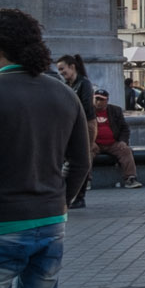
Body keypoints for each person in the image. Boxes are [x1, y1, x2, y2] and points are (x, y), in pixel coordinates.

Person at [0, 9, 91, 288]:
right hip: (51, 223)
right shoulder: (65, 94)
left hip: (0, 222)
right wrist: (61, 202)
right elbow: (81, 162)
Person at [54, 54, 97, 209]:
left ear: (72, 67)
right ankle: (72, 195)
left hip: (86, 123)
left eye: (62, 69)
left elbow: (86, 106)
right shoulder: (69, 84)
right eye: (59, 70)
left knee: (82, 158)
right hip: (74, 124)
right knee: (72, 158)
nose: (61, 73)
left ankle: (80, 196)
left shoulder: (84, 83)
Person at [90, 89, 144, 189]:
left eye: (101, 100)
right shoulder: (88, 111)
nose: (98, 102)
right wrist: (90, 142)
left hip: (112, 143)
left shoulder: (115, 110)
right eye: (96, 99)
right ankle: (85, 180)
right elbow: (82, 129)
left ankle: (130, 178)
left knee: (126, 150)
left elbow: (124, 128)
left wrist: (123, 141)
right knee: (86, 153)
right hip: (94, 143)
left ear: (107, 100)